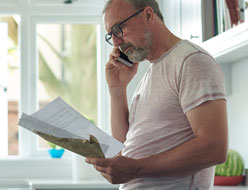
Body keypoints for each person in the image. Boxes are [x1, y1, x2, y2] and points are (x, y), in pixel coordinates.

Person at [86, 0, 228, 189]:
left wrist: (136, 168)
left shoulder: (192, 61)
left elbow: (214, 148)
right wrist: (117, 89)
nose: (116, 42)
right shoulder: (153, 72)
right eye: (111, 35)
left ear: (148, 15)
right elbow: (124, 147)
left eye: (119, 28)